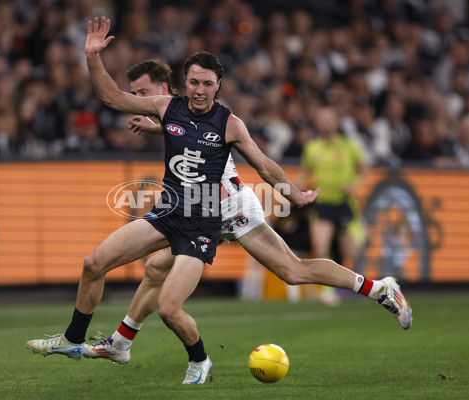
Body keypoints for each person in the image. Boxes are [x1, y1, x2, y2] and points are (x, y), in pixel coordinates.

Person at [26, 16, 323, 385]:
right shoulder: (168, 107)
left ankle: (200, 361)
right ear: (185, 83)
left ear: (218, 86)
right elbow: (111, 97)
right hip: (168, 214)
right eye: (194, 82)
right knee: (93, 262)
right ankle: (73, 338)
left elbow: (263, 164)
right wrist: (93, 57)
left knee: (169, 308)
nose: (200, 90)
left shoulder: (230, 124)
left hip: (202, 224)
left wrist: (292, 192)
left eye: (207, 84)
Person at [79, 60, 412, 364]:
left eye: (142, 93)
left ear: (166, 90)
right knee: (155, 268)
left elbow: (261, 163)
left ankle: (379, 289)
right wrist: (156, 128)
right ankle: (121, 342)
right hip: (200, 212)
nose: (137, 98)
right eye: (135, 94)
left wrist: (293, 194)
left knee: (293, 272)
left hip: (231, 208)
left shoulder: (218, 120)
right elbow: (176, 128)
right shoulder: (177, 114)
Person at [300, 106, 369, 305]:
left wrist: (355, 184)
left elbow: (364, 167)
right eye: (321, 119)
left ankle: (348, 286)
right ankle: (326, 291)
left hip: (344, 204)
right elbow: (306, 173)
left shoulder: (348, 146)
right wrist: (298, 186)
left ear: (336, 122)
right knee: (321, 249)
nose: (325, 123)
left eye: (328, 119)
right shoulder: (312, 147)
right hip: (322, 204)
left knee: (350, 252)